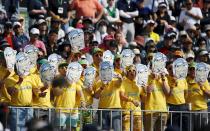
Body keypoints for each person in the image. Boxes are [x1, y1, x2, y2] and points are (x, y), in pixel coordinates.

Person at [93, 62, 122, 131]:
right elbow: (96, 96)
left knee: (116, 129)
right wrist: (102, 87)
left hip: (115, 109)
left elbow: (120, 82)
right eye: (103, 70)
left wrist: (120, 78)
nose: (106, 72)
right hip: (102, 109)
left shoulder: (115, 80)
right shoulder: (98, 82)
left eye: (107, 70)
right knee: (103, 130)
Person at [187, 62, 210, 131]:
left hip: (201, 110)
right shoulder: (184, 80)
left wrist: (202, 87)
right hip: (189, 111)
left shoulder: (204, 80)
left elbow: (209, 95)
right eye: (191, 69)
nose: (193, 71)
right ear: (188, 70)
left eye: (195, 69)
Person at [166, 62, 189, 131]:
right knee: (173, 128)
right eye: (170, 68)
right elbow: (167, 93)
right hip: (171, 107)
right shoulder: (165, 79)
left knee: (185, 127)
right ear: (167, 70)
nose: (172, 70)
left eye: (174, 67)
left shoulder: (183, 79)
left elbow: (186, 93)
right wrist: (173, 84)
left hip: (183, 106)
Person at [120, 65, 143, 131]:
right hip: (127, 113)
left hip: (137, 114)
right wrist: (132, 100)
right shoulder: (123, 83)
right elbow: (122, 96)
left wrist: (146, 91)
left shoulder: (139, 83)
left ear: (136, 73)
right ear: (127, 73)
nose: (132, 72)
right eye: (129, 71)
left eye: (134, 70)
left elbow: (143, 98)